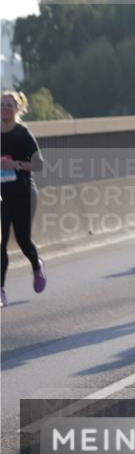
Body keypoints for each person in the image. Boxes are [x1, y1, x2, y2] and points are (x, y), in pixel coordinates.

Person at [1, 91, 46, 307]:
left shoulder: (23, 134)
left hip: (24, 192)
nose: (4, 109)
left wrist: (15, 165)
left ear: (17, 109)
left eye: (9, 105)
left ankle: (36, 266)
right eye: (1, 105)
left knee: (22, 240)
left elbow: (39, 165)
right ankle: (0, 290)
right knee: (0, 244)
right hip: (2, 196)